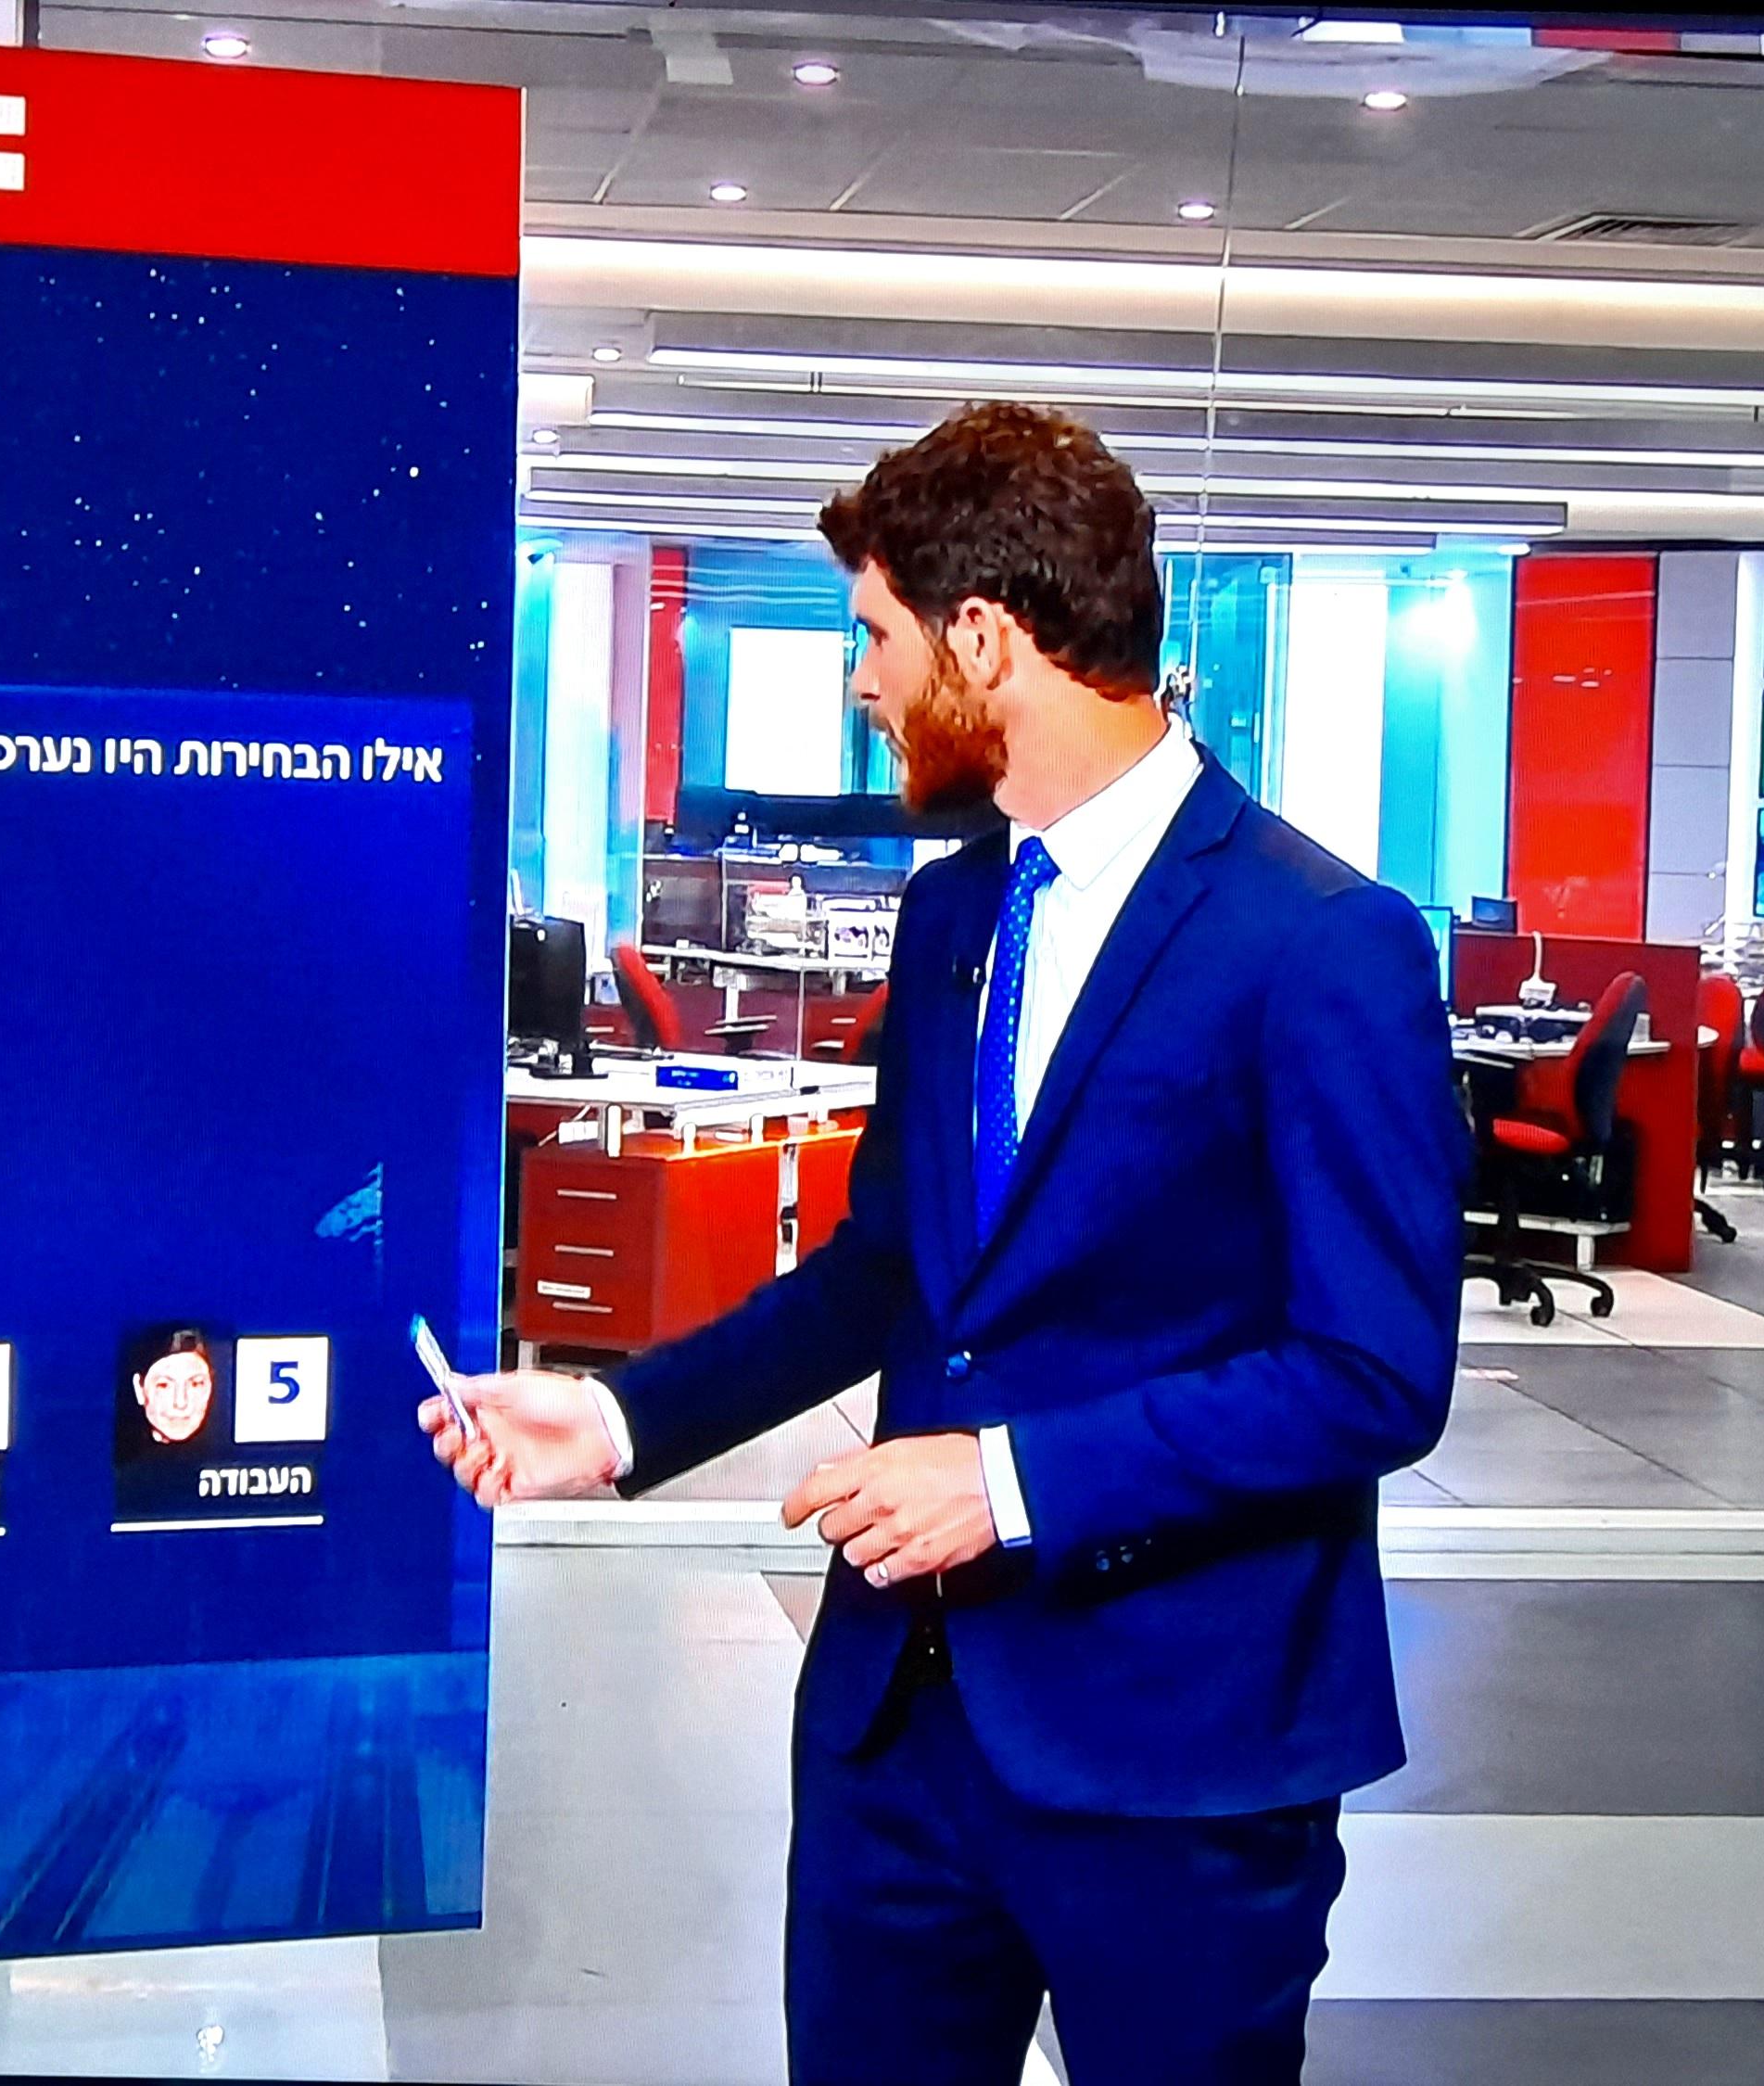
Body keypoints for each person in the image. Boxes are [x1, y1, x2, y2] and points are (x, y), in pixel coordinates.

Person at [422, 402, 1464, 2083]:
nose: (863, 682)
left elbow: (1372, 1372)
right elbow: (889, 1266)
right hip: (895, 1737)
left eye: (877, 636)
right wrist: (618, 1419)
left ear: (982, 639)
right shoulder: (955, 911)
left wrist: (1012, 1480)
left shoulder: (1323, 940)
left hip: (1179, 1756)